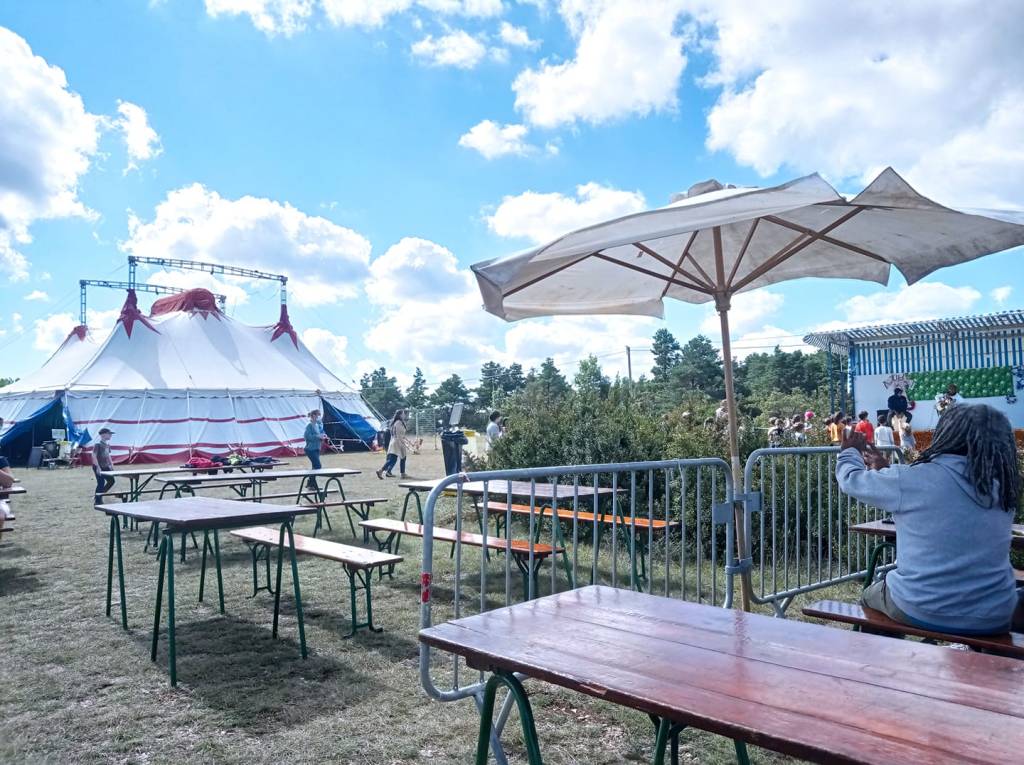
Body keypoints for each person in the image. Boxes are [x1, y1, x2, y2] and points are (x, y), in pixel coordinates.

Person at [836, 404, 1023, 634]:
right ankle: (988, 657)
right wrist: (888, 470)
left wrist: (849, 452)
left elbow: (851, 480)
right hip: (995, 614)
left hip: (921, 605)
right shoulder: (1001, 486)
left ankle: (881, 655)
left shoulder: (914, 479)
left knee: (870, 596)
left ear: (945, 434)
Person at [376, 409, 408, 479]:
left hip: (395, 442)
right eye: (403, 414)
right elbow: (399, 435)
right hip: (397, 443)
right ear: (400, 415)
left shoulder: (397, 422)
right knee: (400, 458)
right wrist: (403, 443)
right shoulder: (398, 423)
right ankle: (402, 473)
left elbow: (401, 435)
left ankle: (381, 471)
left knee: (393, 459)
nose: (404, 415)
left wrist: (407, 441)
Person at [93, 428, 116, 504]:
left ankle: (99, 495)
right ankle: (98, 500)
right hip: (98, 466)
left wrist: (111, 464)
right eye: (109, 434)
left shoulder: (107, 445)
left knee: (111, 481)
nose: (110, 435)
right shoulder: (98, 445)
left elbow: (108, 455)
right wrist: (98, 467)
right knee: (101, 483)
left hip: (105, 466)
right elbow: (94, 456)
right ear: (103, 435)